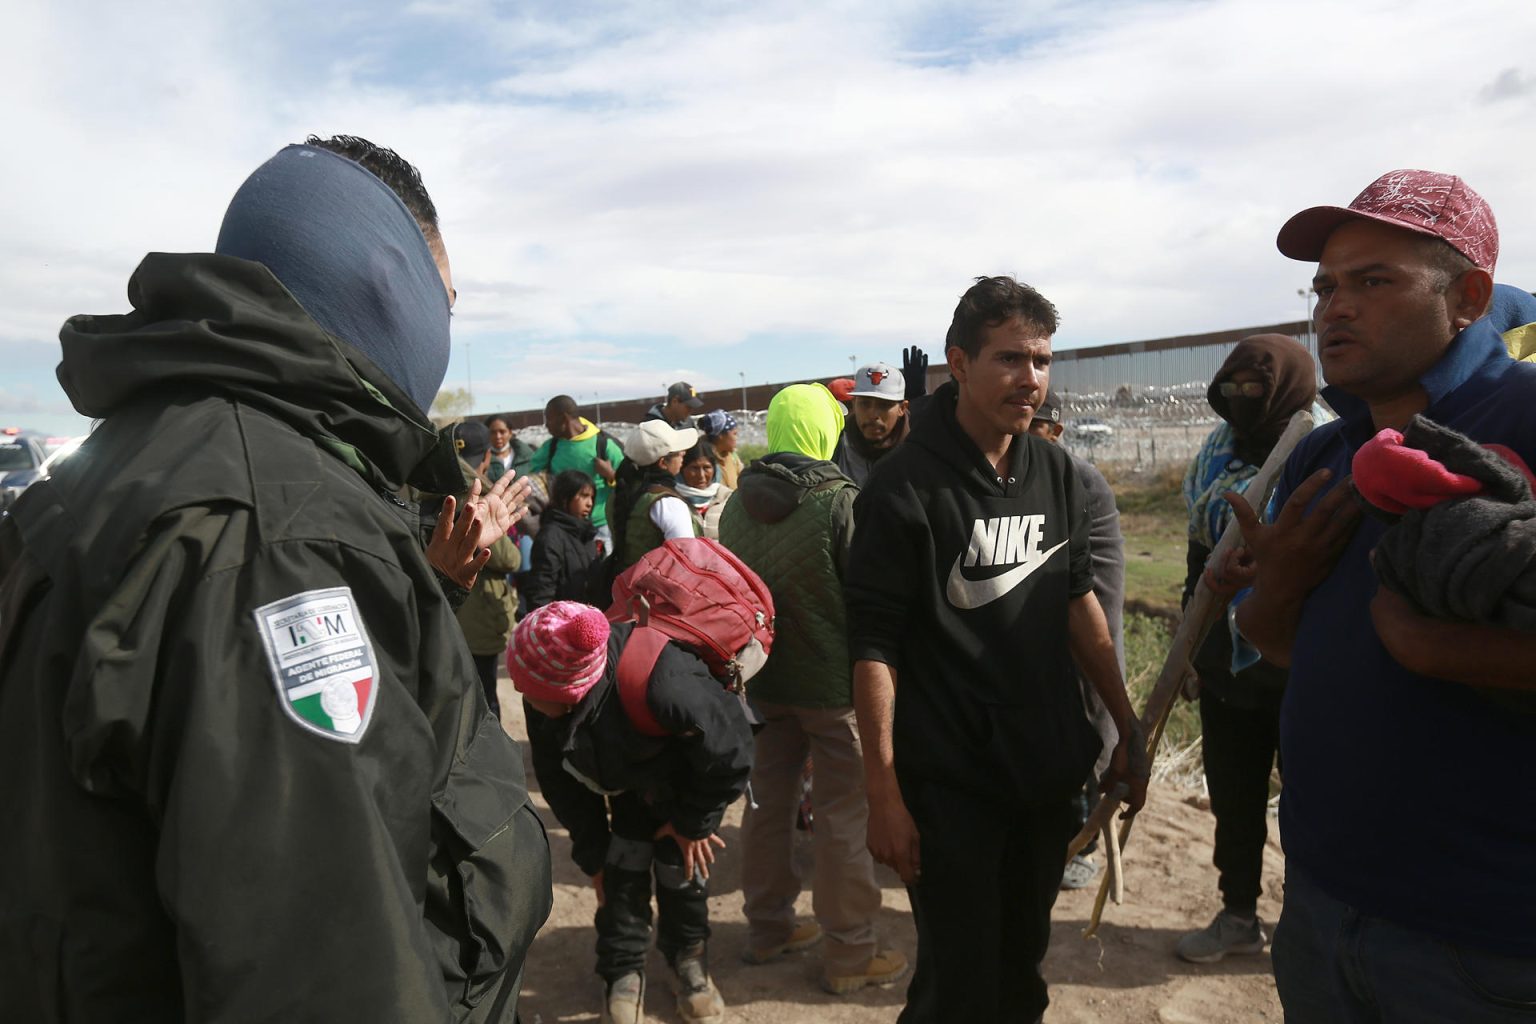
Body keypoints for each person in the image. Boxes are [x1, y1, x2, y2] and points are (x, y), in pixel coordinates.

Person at [0, 135, 550, 1021]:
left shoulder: (146, 459)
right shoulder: (278, 533)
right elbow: (326, 974)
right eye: (445, 299)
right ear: (386, 282)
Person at [1225, 169, 1536, 1021]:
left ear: (1468, 296)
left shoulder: (1523, 423)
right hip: (1324, 908)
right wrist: (1275, 594)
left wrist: (1438, 647)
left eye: (1373, 281)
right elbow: (1284, 644)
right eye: (1324, 286)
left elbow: (1418, 646)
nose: (1333, 308)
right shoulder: (1327, 458)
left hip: (1488, 942)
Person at [844, 275, 1148, 1024]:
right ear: (959, 363)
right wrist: (882, 794)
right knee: (961, 983)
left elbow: (1080, 603)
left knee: (1020, 971)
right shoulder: (903, 489)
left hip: (1043, 772)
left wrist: (1126, 726)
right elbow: (873, 646)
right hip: (949, 783)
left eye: (1042, 361)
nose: (1031, 379)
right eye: (1011, 358)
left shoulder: (1055, 474)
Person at [720, 382, 909, 995]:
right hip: (834, 689)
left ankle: (769, 926)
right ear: (824, 430)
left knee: (766, 806)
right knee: (843, 818)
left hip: (764, 683)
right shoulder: (839, 501)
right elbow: (870, 599)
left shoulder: (734, 505)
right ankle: (851, 952)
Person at [515, 601, 754, 1024]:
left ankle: (689, 961)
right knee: (619, 870)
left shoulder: (666, 683)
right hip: (630, 785)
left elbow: (732, 752)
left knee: (683, 871)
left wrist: (692, 823)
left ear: (571, 690)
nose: (522, 697)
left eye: (532, 692)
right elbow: (562, 784)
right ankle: (622, 970)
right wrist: (593, 854)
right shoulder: (544, 696)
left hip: (687, 786)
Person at [1173, 336, 1323, 962]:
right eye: (1228, 390)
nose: (1238, 403)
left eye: (1253, 391)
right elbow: (1196, 558)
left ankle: (1311, 926)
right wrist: (1186, 647)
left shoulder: (1321, 455)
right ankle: (1238, 913)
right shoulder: (1215, 453)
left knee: (1315, 807)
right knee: (1235, 798)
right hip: (1226, 667)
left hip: (1304, 669)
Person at [1024, 390, 1126, 893]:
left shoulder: (1075, 478)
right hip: (1046, 631)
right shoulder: (1023, 472)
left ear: (1056, 431)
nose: (1023, 433)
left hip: (1087, 625)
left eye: (1036, 425)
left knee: (1087, 739)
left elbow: (1083, 584)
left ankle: (1079, 847)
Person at [451, 419, 522, 719]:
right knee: (484, 701)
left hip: (448, 614)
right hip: (478, 613)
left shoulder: (431, 485)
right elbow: (508, 559)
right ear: (487, 456)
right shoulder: (480, 495)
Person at [531, 394, 625, 553]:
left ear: (564, 418)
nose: (546, 425)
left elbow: (627, 481)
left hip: (600, 529)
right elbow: (533, 478)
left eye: (549, 419)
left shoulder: (603, 444)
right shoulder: (551, 447)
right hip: (564, 528)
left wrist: (610, 475)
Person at [609, 420, 701, 569]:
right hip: (661, 590)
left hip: (627, 586)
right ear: (663, 463)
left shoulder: (618, 493)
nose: (684, 453)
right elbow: (686, 561)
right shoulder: (668, 503)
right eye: (678, 452)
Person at [524, 468, 600, 610]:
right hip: (560, 622)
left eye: (592, 497)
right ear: (565, 498)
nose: (589, 503)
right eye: (584, 496)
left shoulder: (586, 535)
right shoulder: (550, 536)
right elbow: (541, 590)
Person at [833, 361, 911, 486]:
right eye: (864, 404)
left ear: (902, 408)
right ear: (854, 404)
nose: (873, 414)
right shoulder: (836, 448)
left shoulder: (919, 452)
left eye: (884, 405)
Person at [676, 440, 733, 540]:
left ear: (715, 469)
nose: (701, 475)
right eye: (694, 468)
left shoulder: (728, 498)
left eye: (706, 468)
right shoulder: (672, 500)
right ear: (682, 469)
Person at [699, 409, 744, 489]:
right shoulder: (704, 460)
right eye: (734, 434)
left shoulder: (733, 457)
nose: (737, 438)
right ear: (720, 435)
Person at [486, 412, 535, 481]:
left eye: (502, 432)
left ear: (510, 433)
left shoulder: (527, 457)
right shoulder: (482, 460)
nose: (498, 436)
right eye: (493, 432)